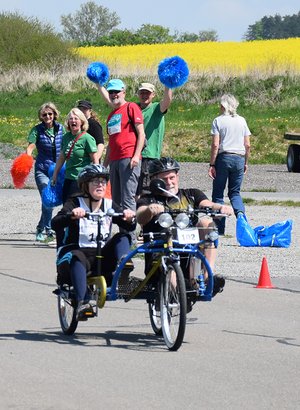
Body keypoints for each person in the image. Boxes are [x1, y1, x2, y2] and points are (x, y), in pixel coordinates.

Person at [136, 157, 233, 297]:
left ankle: (207, 277)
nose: (169, 182)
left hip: (188, 253)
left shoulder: (191, 194)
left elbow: (208, 204)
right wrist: (149, 210)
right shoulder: (148, 199)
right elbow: (140, 216)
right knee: (169, 261)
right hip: (160, 256)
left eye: (172, 177)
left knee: (206, 223)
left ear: (177, 176)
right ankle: (176, 295)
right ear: (154, 181)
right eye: (164, 179)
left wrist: (221, 207)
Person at [51, 164, 136, 320]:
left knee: (123, 237)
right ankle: (83, 302)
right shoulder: (75, 202)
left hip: (102, 257)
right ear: (85, 185)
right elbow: (55, 223)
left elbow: (128, 225)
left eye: (103, 181)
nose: (100, 185)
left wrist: (129, 218)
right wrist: (71, 215)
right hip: (78, 255)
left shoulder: (109, 205)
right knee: (76, 256)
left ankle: (124, 264)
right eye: (95, 181)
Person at [96, 79, 145, 237]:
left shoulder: (131, 107)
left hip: (129, 158)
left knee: (127, 199)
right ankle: (119, 237)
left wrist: (136, 155)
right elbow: (111, 142)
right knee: (115, 201)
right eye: (111, 92)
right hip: (115, 160)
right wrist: (104, 165)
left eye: (116, 91)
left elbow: (141, 134)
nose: (113, 95)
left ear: (124, 92)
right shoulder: (111, 115)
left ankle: (129, 238)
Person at [208, 94, 251, 235]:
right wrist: (245, 162)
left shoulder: (218, 121)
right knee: (235, 192)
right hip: (239, 158)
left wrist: (212, 164)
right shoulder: (242, 120)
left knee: (218, 193)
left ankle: (219, 229)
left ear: (223, 106)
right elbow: (247, 145)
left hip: (224, 158)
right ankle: (242, 222)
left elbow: (215, 144)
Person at [26, 102, 65, 242]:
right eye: (44, 114)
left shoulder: (61, 129)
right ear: (41, 117)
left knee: (51, 200)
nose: (47, 116)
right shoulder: (37, 130)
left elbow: (67, 146)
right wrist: (27, 157)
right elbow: (31, 146)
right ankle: (48, 229)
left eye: (50, 114)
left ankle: (40, 227)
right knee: (46, 195)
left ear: (54, 114)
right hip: (42, 169)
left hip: (58, 170)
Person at [52, 107, 98, 204]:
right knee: (66, 209)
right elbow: (61, 158)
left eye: (76, 118)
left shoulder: (87, 138)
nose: (73, 121)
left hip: (82, 180)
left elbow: (95, 160)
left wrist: (95, 178)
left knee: (80, 209)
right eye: (71, 119)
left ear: (81, 122)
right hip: (68, 178)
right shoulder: (66, 137)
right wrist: (55, 174)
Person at [136, 82, 173, 194]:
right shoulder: (134, 108)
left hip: (149, 156)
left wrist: (168, 83)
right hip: (134, 155)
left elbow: (167, 100)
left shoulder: (156, 108)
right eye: (142, 92)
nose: (144, 95)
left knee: (146, 189)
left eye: (147, 93)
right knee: (134, 189)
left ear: (153, 95)